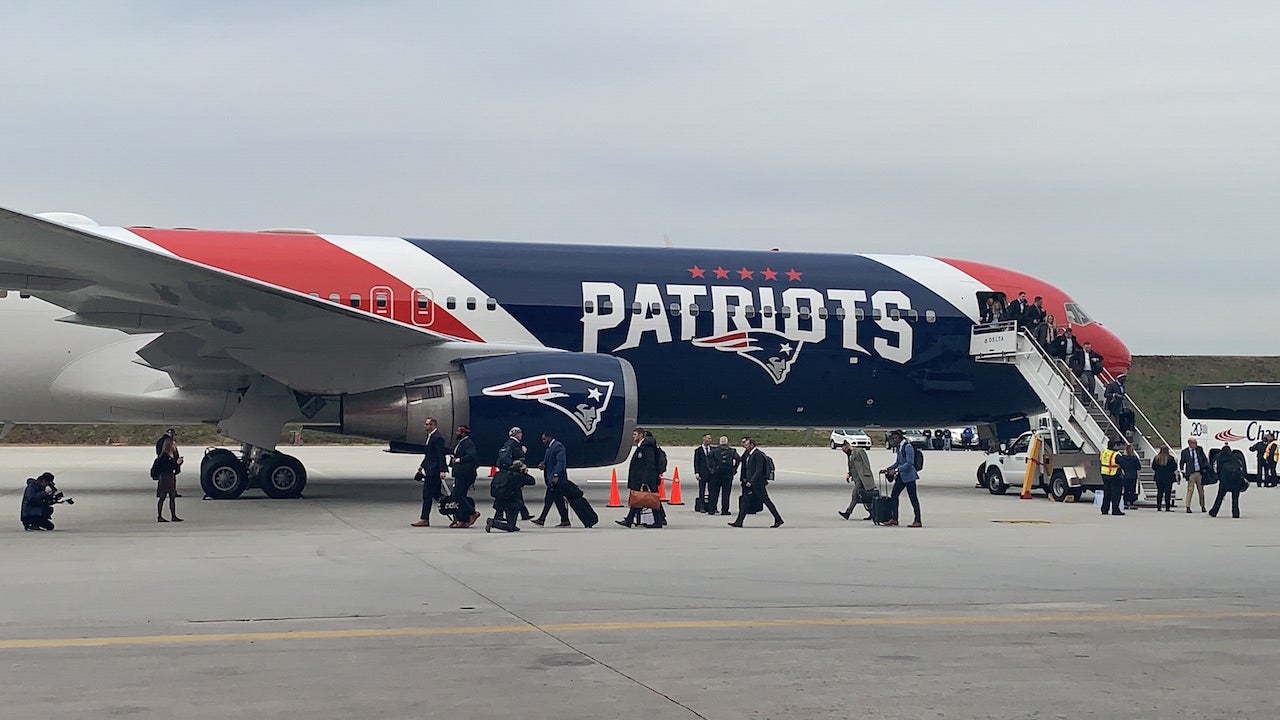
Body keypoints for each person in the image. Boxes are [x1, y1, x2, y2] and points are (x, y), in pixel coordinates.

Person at [728, 436, 783, 528]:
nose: (744, 446)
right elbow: (742, 459)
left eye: (746, 445)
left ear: (752, 445)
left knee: (766, 501)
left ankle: (778, 519)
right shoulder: (748, 454)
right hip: (750, 483)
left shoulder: (758, 455)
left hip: (757, 484)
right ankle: (739, 521)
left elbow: (758, 470)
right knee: (745, 502)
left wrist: (751, 481)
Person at [486, 435, 536, 532]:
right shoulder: (518, 476)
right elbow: (532, 481)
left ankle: (500, 520)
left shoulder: (503, 474)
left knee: (511, 521)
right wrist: (524, 471)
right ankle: (493, 523)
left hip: (503, 501)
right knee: (510, 527)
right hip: (512, 504)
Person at [618, 427, 665, 528]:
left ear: (641, 435)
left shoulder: (646, 447)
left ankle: (658, 521)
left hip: (646, 479)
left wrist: (645, 481)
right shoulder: (642, 446)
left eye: (635, 435)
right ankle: (629, 520)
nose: (633, 437)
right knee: (639, 499)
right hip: (643, 479)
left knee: (651, 499)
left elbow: (649, 464)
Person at [879, 430, 922, 527]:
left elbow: (909, 463)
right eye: (892, 439)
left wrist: (896, 470)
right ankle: (894, 519)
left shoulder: (908, 446)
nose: (893, 440)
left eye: (895, 438)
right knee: (894, 495)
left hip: (909, 477)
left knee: (913, 498)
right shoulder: (900, 447)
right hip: (901, 476)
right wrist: (887, 469)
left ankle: (918, 520)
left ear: (900, 438)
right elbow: (898, 462)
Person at [411, 417, 447, 528]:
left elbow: (441, 455)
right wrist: (422, 465)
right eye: (425, 424)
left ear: (433, 425)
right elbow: (429, 455)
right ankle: (456, 510)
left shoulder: (437, 438)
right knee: (436, 495)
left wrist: (442, 470)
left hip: (434, 471)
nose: (425, 426)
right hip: (429, 469)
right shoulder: (430, 437)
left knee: (428, 495)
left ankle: (424, 519)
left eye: (428, 424)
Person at [532, 431, 571, 528]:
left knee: (549, 499)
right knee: (558, 501)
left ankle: (542, 519)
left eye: (544, 439)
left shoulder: (558, 446)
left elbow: (560, 462)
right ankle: (565, 520)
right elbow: (549, 461)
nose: (543, 441)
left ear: (549, 438)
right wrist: (543, 464)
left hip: (556, 479)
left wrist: (556, 475)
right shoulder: (549, 448)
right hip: (551, 478)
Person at [446, 425, 481, 528]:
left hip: (465, 474)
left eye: (458, 432)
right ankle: (463, 520)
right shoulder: (461, 443)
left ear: (463, 433)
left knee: (458, 495)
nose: (457, 433)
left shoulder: (468, 443)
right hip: (460, 473)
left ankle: (472, 513)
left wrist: (457, 460)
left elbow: (471, 455)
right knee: (458, 495)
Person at [838, 440, 876, 520]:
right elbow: (852, 467)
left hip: (862, 478)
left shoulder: (859, 451)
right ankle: (872, 512)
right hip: (856, 478)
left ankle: (848, 513)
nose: (844, 452)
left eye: (844, 449)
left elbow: (866, 463)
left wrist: (867, 476)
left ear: (847, 446)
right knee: (864, 496)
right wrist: (849, 474)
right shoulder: (850, 456)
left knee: (855, 494)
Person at [152, 436, 184, 522]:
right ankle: (159, 516)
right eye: (173, 444)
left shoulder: (172, 455)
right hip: (165, 477)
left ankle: (173, 515)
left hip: (170, 477)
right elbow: (166, 467)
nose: (175, 446)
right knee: (162, 497)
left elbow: (173, 466)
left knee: (172, 497)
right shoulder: (164, 456)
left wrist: (178, 464)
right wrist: (176, 463)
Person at [1209, 443, 1246, 518]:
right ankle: (1235, 513)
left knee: (1220, 497)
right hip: (1236, 482)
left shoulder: (1220, 458)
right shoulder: (1235, 457)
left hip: (1224, 482)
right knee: (1235, 499)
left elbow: (1218, 470)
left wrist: (1220, 478)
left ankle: (1214, 512)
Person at [707, 435, 739, 515]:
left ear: (720, 442)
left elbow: (708, 458)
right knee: (726, 493)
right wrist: (734, 469)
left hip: (716, 474)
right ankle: (725, 510)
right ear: (727, 442)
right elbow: (738, 459)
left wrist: (711, 469)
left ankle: (712, 509)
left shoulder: (715, 450)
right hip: (728, 474)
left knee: (714, 493)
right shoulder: (732, 451)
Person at [1179, 438, 1209, 513]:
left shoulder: (1199, 450)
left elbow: (1204, 459)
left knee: (1201, 490)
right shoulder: (1185, 452)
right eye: (1194, 443)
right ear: (1189, 443)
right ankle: (1188, 506)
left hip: (1199, 473)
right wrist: (1183, 472)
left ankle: (1202, 506)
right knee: (1190, 490)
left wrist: (1205, 468)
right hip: (1191, 473)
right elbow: (1182, 462)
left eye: (1196, 443)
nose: (1195, 444)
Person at [1099, 440, 1124, 516]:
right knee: (1116, 493)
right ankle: (1115, 509)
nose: (1118, 447)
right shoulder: (1115, 454)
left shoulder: (1103, 452)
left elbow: (1101, 460)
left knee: (1107, 493)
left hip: (1104, 474)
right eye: (1117, 445)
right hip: (1114, 474)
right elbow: (1122, 462)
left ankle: (1104, 509)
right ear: (1113, 446)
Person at [1151, 445, 1178, 511]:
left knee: (1159, 492)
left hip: (1159, 477)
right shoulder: (1171, 458)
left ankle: (1159, 507)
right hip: (1168, 478)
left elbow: (1153, 467)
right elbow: (1174, 468)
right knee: (1167, 493)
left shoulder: (1156, 458)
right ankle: (1167, 507)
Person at [693, 434, 715, 514]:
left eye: (710, 438)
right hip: (702, 473)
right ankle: (701, 506)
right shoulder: (698, 450)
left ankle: (712, 506)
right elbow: (696, 462)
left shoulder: (713, 449)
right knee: (702, 490)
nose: (710, 440)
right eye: (708, 438)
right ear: (704, 439)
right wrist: (697, 472)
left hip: (711, 473)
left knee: (712, 490)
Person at [1117, 443, 1141, 509]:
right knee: (1132, 490)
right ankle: (1131, 503)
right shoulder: (1134, 458)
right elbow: (1139, 467)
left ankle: (1125, 503)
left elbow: (1120, 465)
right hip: (1133, 476)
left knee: (1126, 490)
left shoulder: (1122, 458)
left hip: (1125, 475)